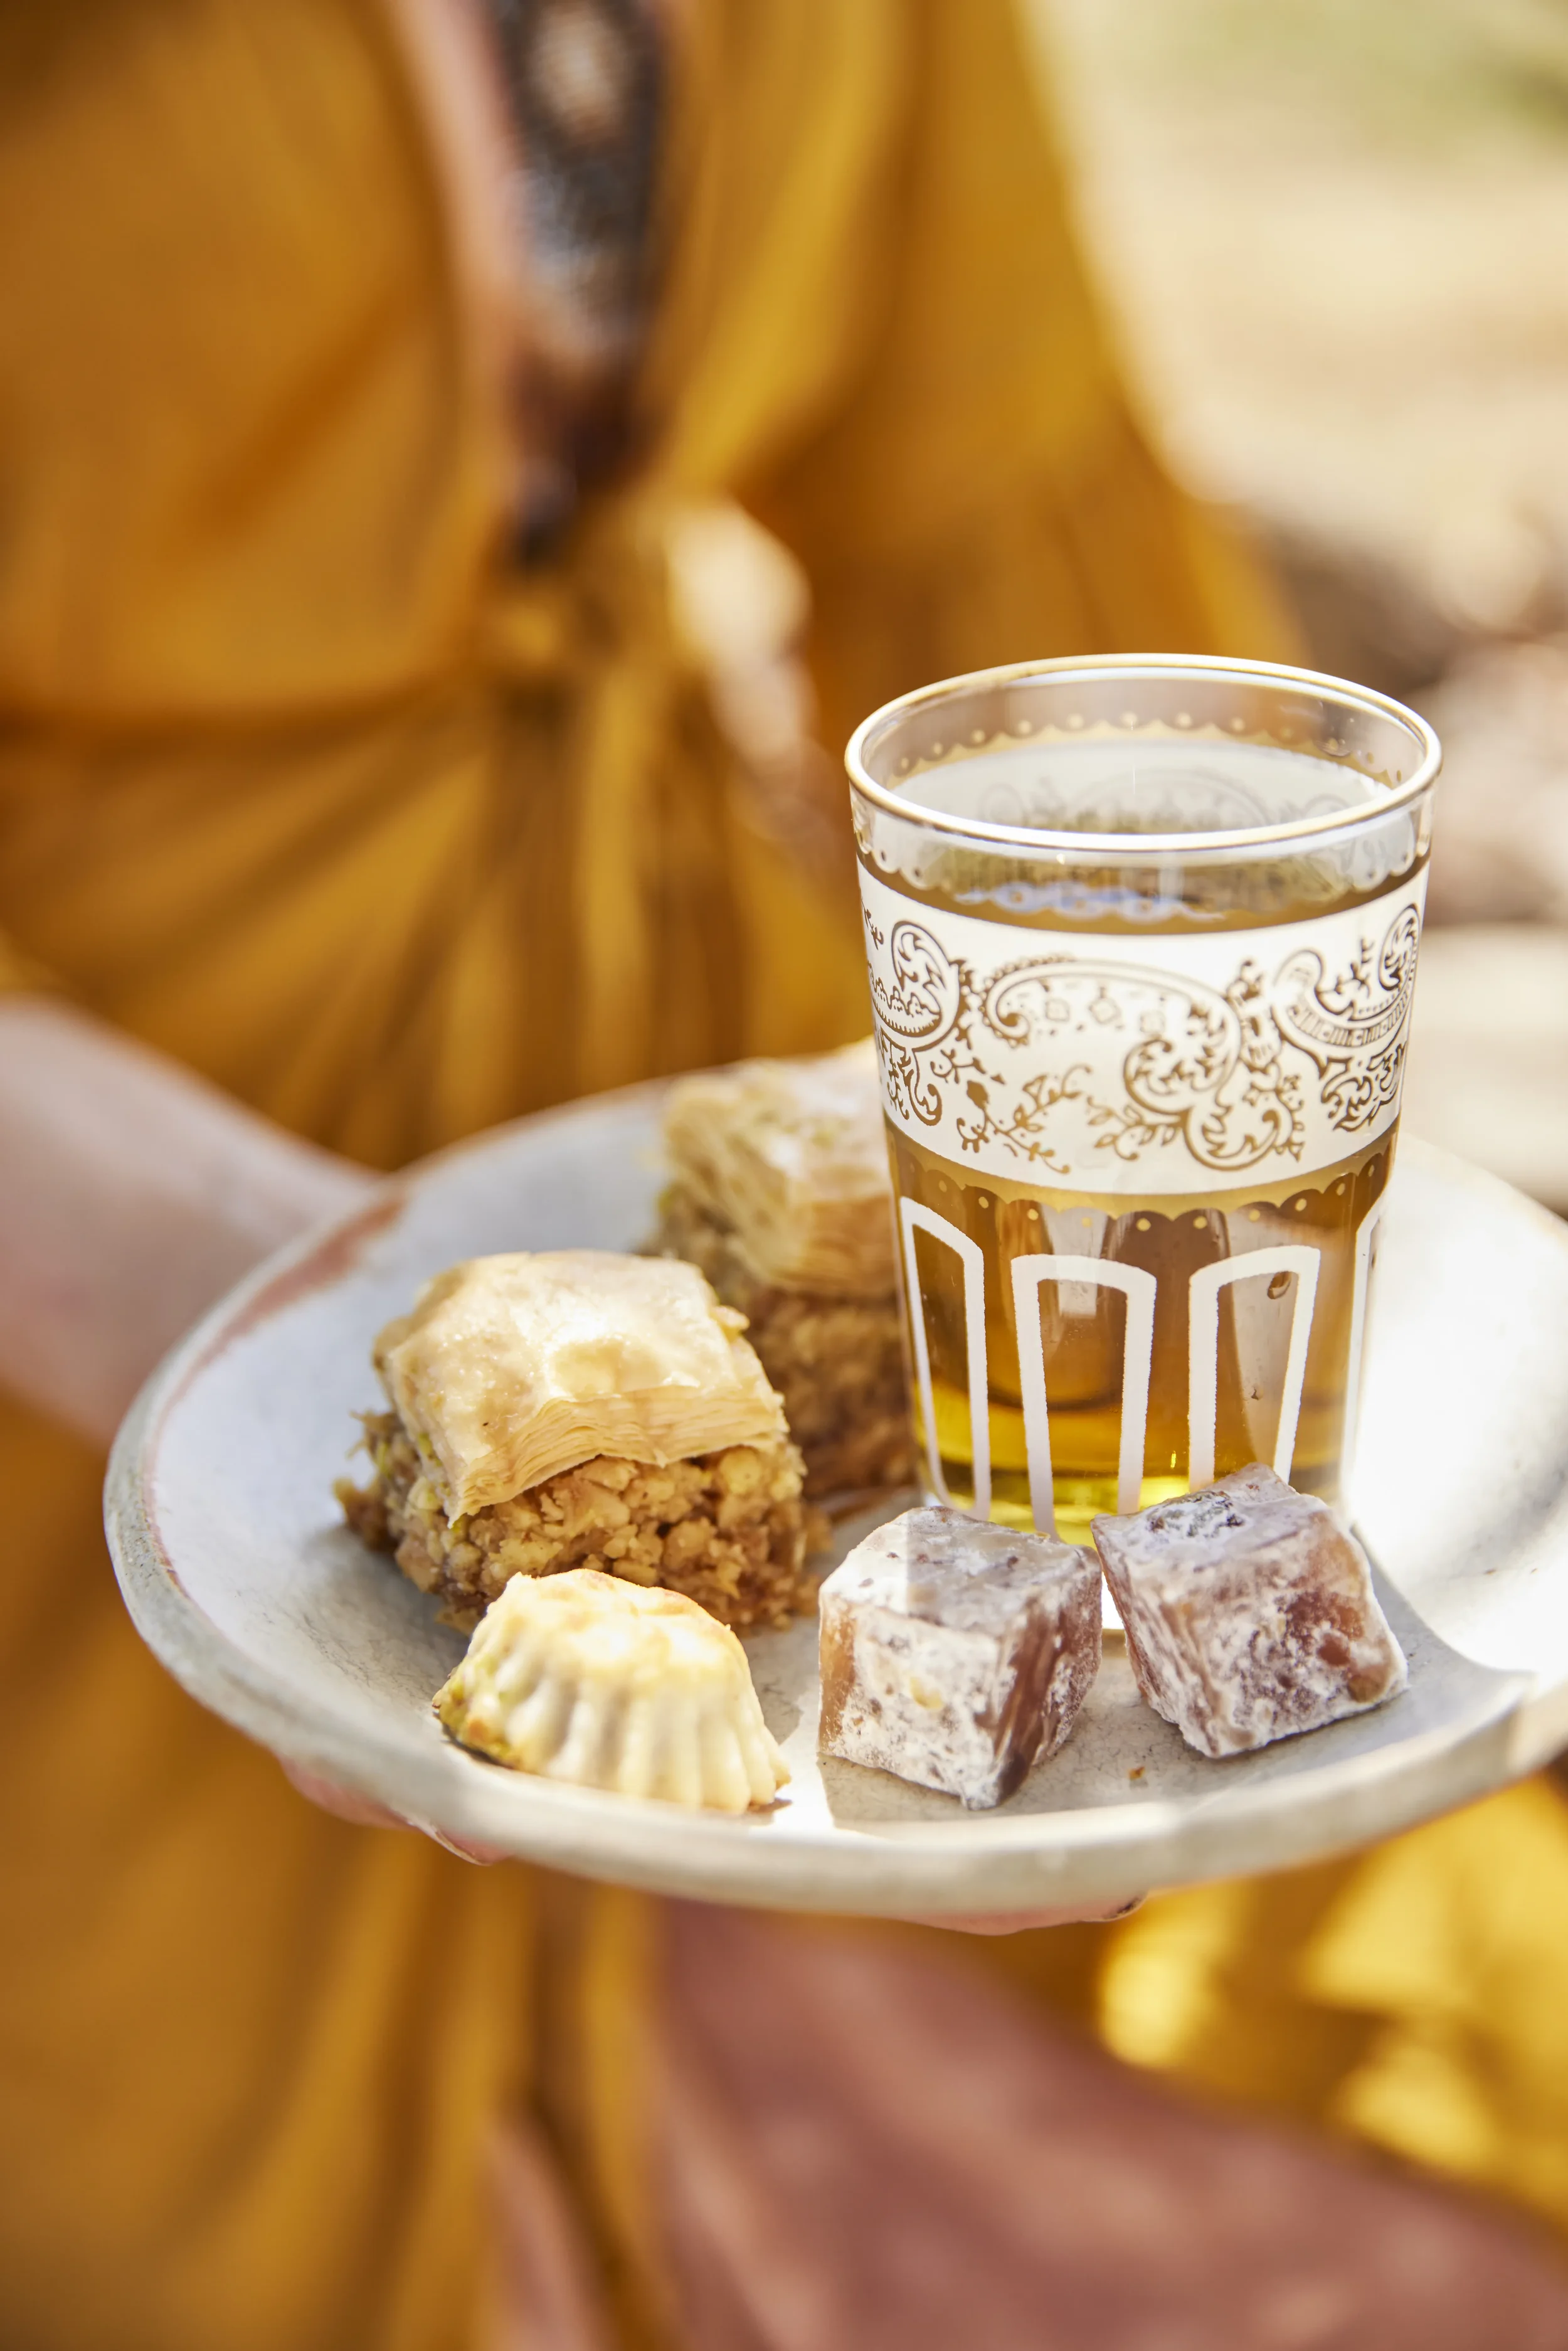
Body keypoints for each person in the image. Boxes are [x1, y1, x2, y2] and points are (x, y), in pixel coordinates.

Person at [4, 4, 1568, 2345]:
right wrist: (283, 1320)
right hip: (99, 1308)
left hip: (740, 1166)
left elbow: (1000, 532)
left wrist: (1212, 1137)